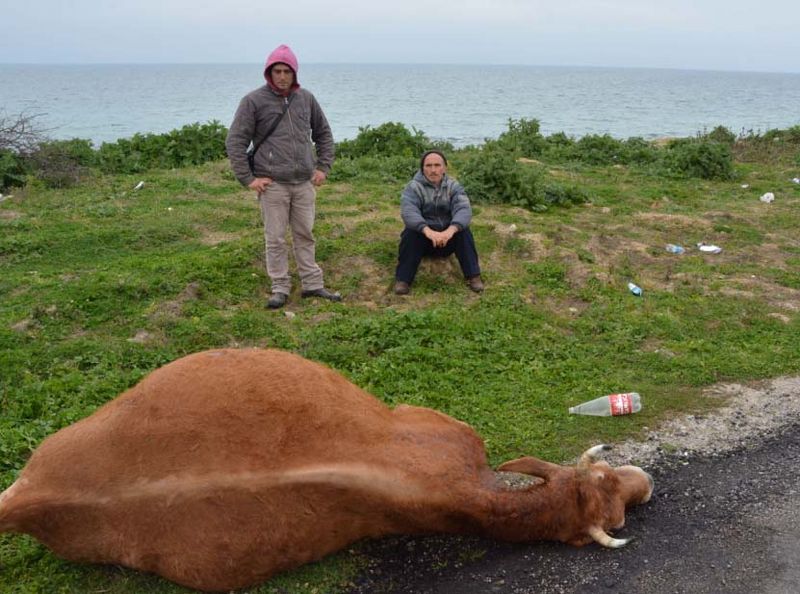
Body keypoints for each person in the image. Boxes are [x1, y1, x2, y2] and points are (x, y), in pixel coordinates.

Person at [226, 44, 340, 309]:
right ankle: (280, 288)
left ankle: (312, 284)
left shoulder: (306, 98)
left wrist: (323, 166)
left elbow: (323, 134)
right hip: (273, 185)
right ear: (268, 72)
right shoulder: (253, 101)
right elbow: (235, 141)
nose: (281, 76)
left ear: (294, 73)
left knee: (305, 234)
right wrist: (248, 179)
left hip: (303, 183)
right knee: (275, 238)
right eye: (276, 71)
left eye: (286, 71)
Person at [394, 150, 484, 295]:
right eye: (428, 166)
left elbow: (464, 209)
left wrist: (450, 231)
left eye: (437, 165)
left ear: (444, 168)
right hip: (424, 239)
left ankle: (473, 276)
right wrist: (428, 232)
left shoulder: (453, 186)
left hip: (448, 237)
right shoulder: (413, 187)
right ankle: (403, 280)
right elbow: (409, 212)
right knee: (410, 233)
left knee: (464, 232)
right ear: (422, 168)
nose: (433, 170)